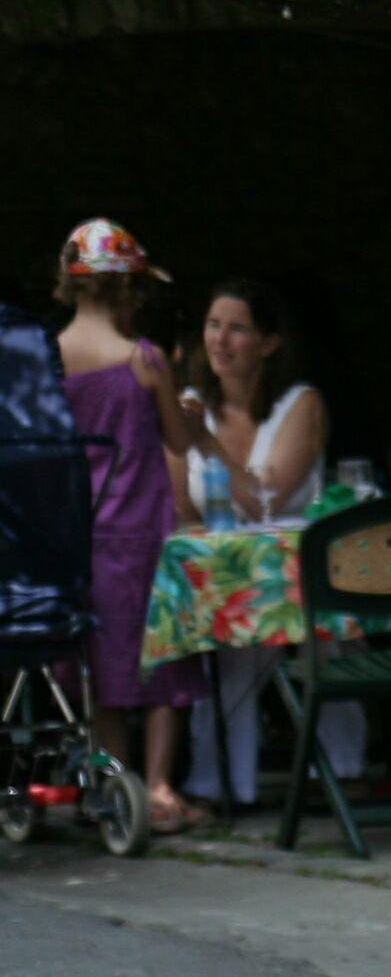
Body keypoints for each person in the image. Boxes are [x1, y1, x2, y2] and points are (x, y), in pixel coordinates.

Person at [180, 275, 361, 806]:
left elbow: (270, 499)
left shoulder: (300, 403)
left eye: (237, 329)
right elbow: (177, 503)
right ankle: (222, 784)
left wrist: (206, 444)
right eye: (213, 325)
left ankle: (340, 772)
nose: (219, 339)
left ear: (269, 343)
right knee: (229, 636)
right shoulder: (192, 402)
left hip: (302, 576)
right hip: (225, 577)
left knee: (312, 634)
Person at [51, 219, 207, 830]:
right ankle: (162, 788)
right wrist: (190, 414)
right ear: (125, 291)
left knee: (102, 668)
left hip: (81, 539)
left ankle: (112, 788)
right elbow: (176, 438)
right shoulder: (144, 360)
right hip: (144, 533)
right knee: (163, 667)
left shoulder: (49, 360)